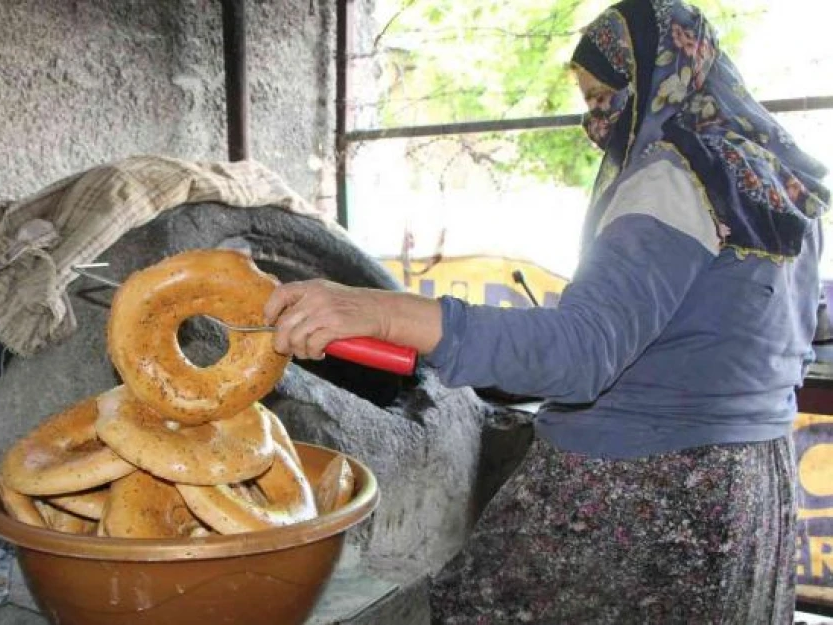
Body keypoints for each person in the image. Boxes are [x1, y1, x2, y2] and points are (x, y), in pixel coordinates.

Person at [263, 0, 831, 622]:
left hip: (642, 491)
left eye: (604, 97)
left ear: (653, 82)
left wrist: (378, 313)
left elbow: (578, 353)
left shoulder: (673, 176)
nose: (596, 120)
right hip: (744, 491)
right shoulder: (773, 180)